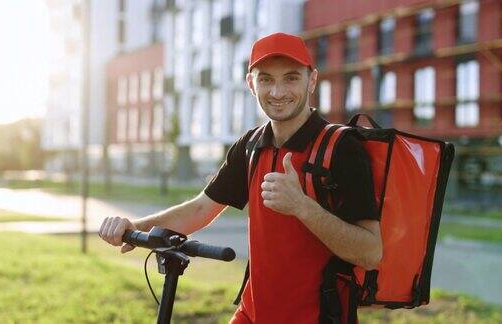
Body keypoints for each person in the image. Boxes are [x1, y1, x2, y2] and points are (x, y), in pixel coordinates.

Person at [99, 32, 382, 324]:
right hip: (252, 315)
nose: (277, 91)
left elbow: (370, 252)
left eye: (291, 78)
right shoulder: (250, 145)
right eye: (266, 79)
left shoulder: (341, 148)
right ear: (250, 84)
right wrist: (134, 227)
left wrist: (301, 206)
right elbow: (199, 210)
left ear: (312, 80)